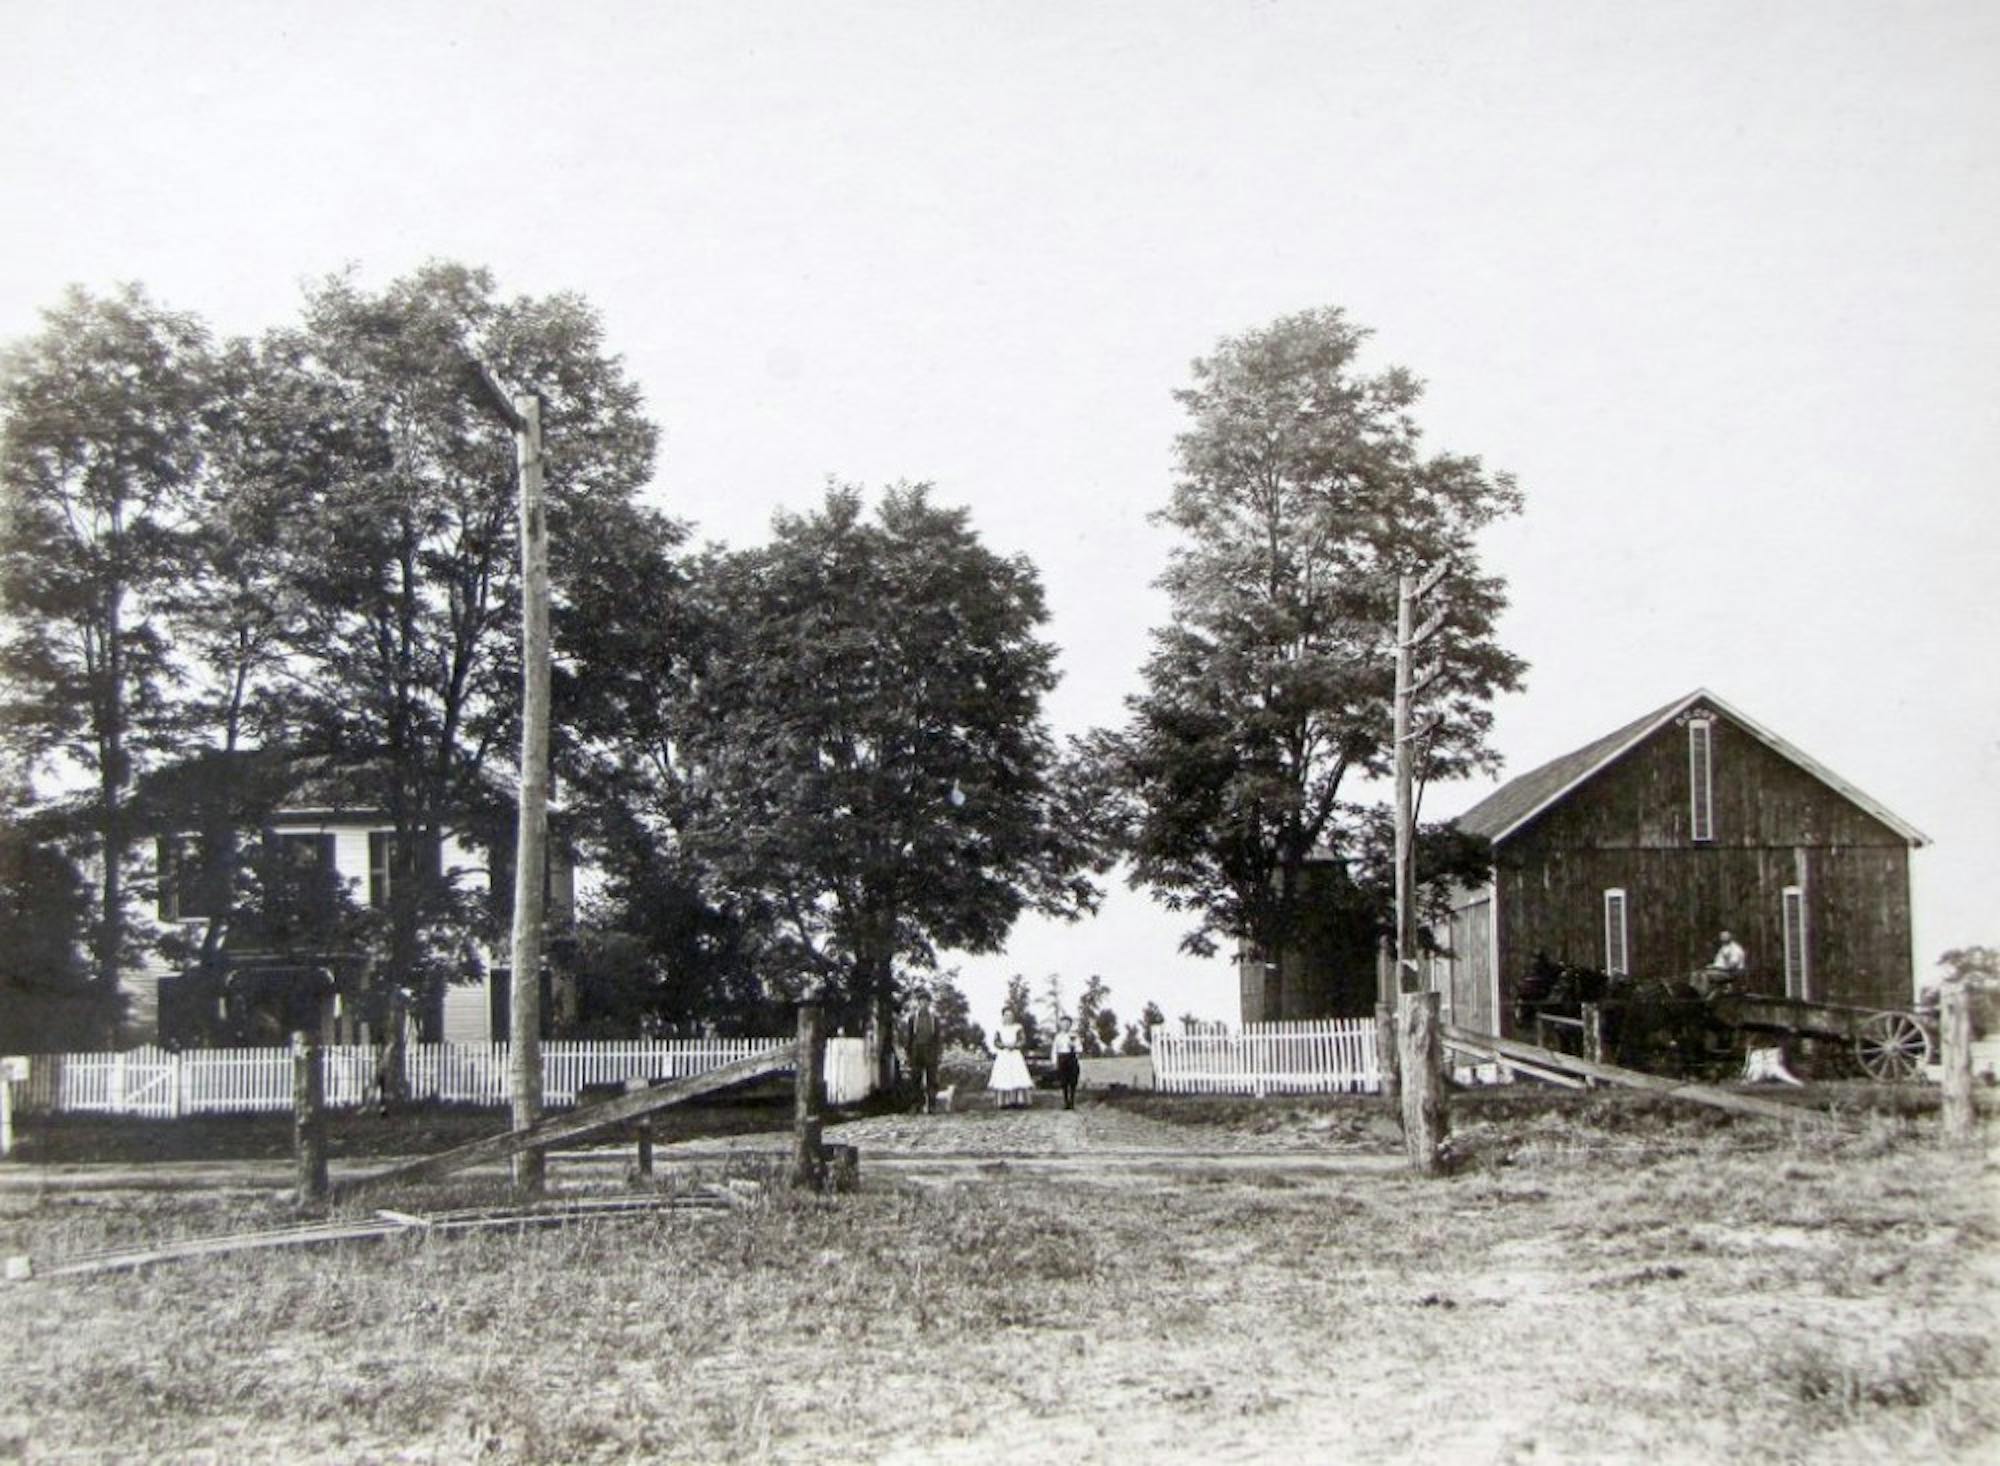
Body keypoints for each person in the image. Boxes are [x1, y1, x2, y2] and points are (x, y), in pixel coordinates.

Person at [904, 990, 941, 1114]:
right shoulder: (913, 1018)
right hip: (916, 1051)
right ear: (918, 1003)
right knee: (915, 1079)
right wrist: (908, 1054)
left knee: (932, 1080)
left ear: (929, 1003)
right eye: (921, 1001)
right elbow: (909, 1037)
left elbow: (938, 1038)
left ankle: (932, 1106)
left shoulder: (934, 1018)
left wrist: (938, 1054)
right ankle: (916, 1105)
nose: (924, 1004)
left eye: (926, 1001)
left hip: (930, 1051)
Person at [988, 1018, 1033, 1109]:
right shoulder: (999, 1028)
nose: (1008, 1017)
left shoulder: (1018, 1027)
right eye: (1006, 1015)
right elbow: (996, 1042)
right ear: (1003, 1016)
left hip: (1015, 1054)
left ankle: (1019, 1101)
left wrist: (1015, 1045)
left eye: (1010, 1015)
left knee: (1017, 1076)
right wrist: (1004, 1046)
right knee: (1004, 1076)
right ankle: (1004, 1102)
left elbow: (1022, 1040)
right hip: (1004, 1054)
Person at [1050, 1017, 1083, 1110]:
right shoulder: (1058, 1036)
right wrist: (1054, 1061)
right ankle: (1065, 1102)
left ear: (1070, 1025)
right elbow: (1054, 1050)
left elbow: (1080, 1049)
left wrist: (1074, 1046)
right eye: (1063, 1024)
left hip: (1072, 1058)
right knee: (1063, 1081)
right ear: (1060, 1025)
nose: (1065, 1026)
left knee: (1073, 1080)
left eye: (1067, 1024)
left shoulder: (1075, 1036)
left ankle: (1072, 1101)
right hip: (1062, 1058)